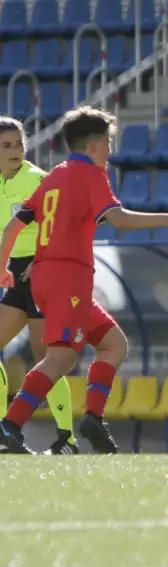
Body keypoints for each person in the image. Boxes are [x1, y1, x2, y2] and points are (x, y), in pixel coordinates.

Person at [0, 106, 168, 454]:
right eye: (108, 141)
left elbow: (14, 226)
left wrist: (6, 267)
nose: (110, 149)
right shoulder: (91, 175)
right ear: (93, 144)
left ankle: (93, 421)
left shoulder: (54, 176)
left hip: (47, 274)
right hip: (67, 276)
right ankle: (10, 425)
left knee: (114, 344)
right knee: (61, 357)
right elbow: (117, 219)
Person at [0, 117, 79, 454]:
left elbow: (66, 226)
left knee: (44, 357)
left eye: (19, 143)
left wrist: (41, 262)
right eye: (7, 145)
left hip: (43, 271)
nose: (15, 150)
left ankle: (67, 439)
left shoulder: (39, 181)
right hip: (14, 274)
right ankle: (7, 433)